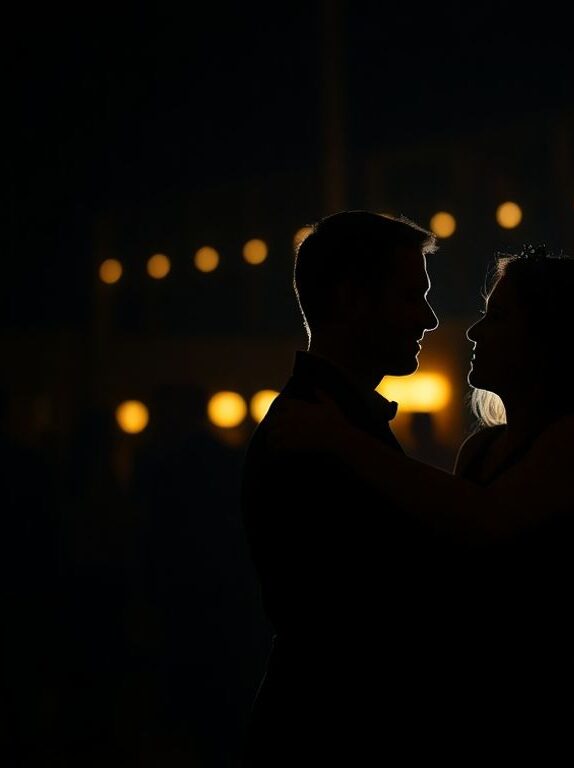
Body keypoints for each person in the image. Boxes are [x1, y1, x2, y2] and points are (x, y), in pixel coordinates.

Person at [272, 243, 574, 764]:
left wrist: (337, 440)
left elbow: (482, 521)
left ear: (551, 339)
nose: (474, 331)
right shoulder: (483, 448)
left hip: (545, 723)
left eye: (498, 316)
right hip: (485, 713)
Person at [240, 210, 443, 762]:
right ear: (353, 300)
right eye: (410, 296)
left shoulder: (322, 420)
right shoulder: (316, 433)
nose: (429, 319)